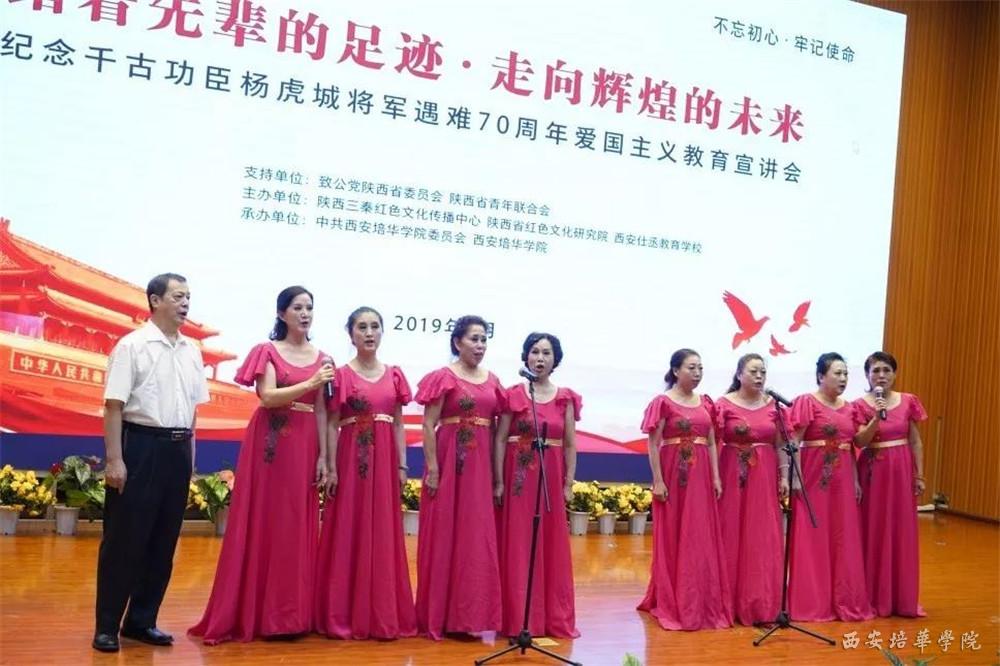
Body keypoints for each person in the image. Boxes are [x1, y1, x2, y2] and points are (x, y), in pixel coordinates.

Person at [189, 286, 334, 644]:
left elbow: (321, 410)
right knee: (266, 520)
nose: (305, 313)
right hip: (270, 443)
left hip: (304, 443)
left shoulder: (324, 358)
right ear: (282, 313)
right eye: (297, 307)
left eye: (309, 307)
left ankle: (291, 615)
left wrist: (323, 456)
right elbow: (267, 396)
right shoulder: (267, 351)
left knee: (296, 525)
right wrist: (311, 381)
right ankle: (257, 612)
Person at [94, 273, 210, 653]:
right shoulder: (133, 346)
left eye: (188, 297)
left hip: (178, 450)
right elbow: (114, 406)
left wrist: (191, 459)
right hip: (141, 446)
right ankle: (107, 626)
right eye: (178, 296)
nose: (185, 303)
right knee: (124, 541)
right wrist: (115, 460)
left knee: (163, 542)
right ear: (155, 300)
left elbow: (192, 410)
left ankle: (141, 621)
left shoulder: (192, 350)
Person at [314, 306, 417, 639]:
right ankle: (343, 612)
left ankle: (381, 612)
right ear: (351, 334)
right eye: (362, 327)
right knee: (349, 528)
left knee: (383, 532)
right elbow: (331, 423)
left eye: (375, 326)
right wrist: (330, 466)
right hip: (350, 460)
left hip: (385, 463)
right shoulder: (340, 375)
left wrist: (402, 465)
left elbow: (398, 424)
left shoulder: (394, 375)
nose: (369, 333)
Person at [414, 315, 505, 639]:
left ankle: (470, 617)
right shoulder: (443, 377)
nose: (480, 346)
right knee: (445, 535)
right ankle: (440, 616)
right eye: (474, 339)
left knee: (475, 539)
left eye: (484, 340)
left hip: (480, 471)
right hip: (449, 466)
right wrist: (433, 468)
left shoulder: (493, 381)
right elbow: (428, 425)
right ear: (457, 342)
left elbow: (497, 433)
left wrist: (497, 478)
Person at [638, 348, 732, 630]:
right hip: (674, 475)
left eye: (700, 368)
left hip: (701, 477)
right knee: (674, 533)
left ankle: (700, 597)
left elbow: (712, 442)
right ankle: (674, 597)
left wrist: (716, 477)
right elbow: (653, 443)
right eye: (691, 367)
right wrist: (658, 480)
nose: (697, 373)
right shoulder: (663, 402)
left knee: (699, 535)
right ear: (676, 370)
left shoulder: (706, 403)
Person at [493, 332, 580, 639]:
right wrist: (498, 481)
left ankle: (549, 617)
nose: (539, 358)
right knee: (518, 546)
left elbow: (570, 444)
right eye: (534, 352)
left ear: (555, 360)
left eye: (546, 353)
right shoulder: (513, 394)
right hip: (518, 480)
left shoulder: (565, 398)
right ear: (525, 356)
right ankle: (518, 618)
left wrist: (568, 483)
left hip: (549, 479)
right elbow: (500, 439)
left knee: (550, 545)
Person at [787, 352, 874, 621]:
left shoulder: (851, 408)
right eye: (837, 373)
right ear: (820, 376)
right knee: (814, 537)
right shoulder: (807, 402)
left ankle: (843, 599)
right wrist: (795, 478)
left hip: (843, 482)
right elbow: (794, 442)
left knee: (842, 538)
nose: (843, 378)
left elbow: (854, 446)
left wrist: (855, 480)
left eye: (846, 373)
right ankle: (813, 602)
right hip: (813, 481)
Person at [715, 353, 787, 626]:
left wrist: (783, 477)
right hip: (732, 473)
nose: (759, 377)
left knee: (762, 535)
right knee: (731, 531)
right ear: (739, 375)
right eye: (753, 371)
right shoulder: (723, 404)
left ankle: (760, 602)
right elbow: (713, 442)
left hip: (764, 477)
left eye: (762, 372)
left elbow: (781, 445)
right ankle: (728, 600)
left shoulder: (774, 406)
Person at [853, 352, 927, 617]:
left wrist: (919, 475)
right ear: (867, 375)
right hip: (873, 472)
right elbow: (859, 441)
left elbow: (915, 440)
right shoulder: (859, 405)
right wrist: (876, 417)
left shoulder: (908, 401)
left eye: (886, 370)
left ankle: (901, 597)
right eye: (875, 371)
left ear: (895, 374)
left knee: (900, 529)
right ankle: (874, 596)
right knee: (874, 528)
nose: (881, 375)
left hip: (901, 471)